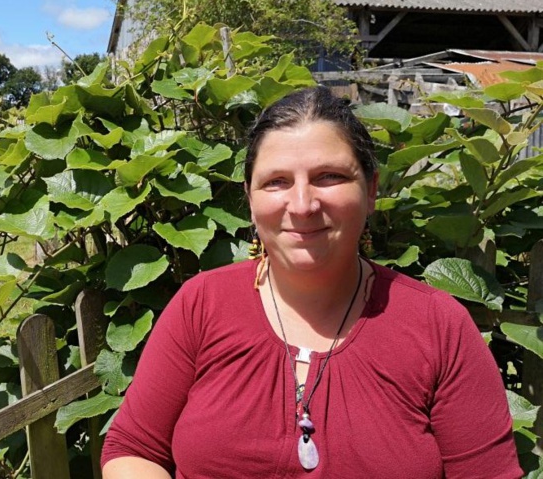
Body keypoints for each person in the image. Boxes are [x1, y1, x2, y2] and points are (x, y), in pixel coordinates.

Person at [100, 86, 522, 478]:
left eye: (329, 177)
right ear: (250, 199)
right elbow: (132, 448)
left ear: (371, 190)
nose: (302, 205)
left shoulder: (438, 326)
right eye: (277, 182)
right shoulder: (202, 304)